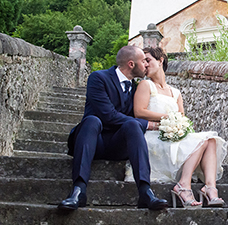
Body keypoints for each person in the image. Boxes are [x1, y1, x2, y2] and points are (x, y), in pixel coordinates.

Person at [59, 46, 168, 211]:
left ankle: (146, 192)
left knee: (132, 124)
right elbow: (108, 115)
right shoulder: (99, 78)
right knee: (92, 120)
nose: (146, 64)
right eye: (143, 61)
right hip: (93, 141)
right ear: (131, 64)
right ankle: (78, 190)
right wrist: (149, 124)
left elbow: (135, 117)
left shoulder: (137, 88)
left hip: (117, 145)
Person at [133, 46, 227, 208]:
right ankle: (184, 185)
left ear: (160, 60)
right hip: (154, 137)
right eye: (143, 62)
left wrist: (178, 125)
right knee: (203, 141)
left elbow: (181, 117)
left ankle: (210, 188)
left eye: (148, 60)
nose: (145, 65)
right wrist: (168, 118)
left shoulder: (175, 92)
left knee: (211, 140)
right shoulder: (145, 85)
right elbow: (139, 112)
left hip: (173, 136)